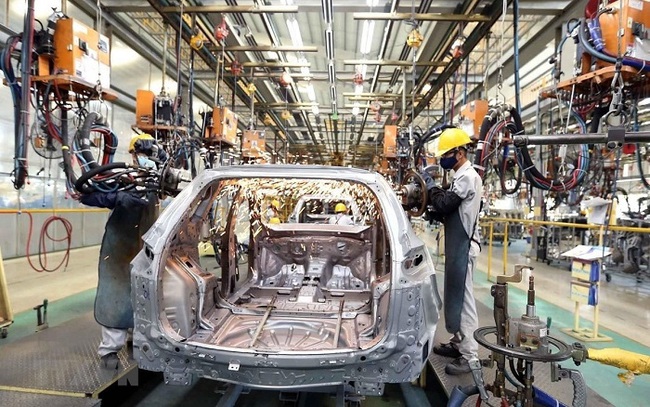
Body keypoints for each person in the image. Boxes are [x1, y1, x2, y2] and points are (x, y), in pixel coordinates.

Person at [80, 134, 164, 369]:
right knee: (116, 295)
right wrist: (116, 196)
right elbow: (87, 195)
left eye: (150, 155)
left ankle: (138, 342)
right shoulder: (119, 176)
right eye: (142, 154)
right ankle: (109, 350)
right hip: (119, 248)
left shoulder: (157, 179)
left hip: (146, 246)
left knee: (144, 295)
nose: (145, 160)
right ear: (132, 155)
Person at [425, 128, 482, 375]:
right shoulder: (460, 176)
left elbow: (446, 203)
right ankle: (458, 343)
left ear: (459, 153)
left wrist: (431, 188)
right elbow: (448, 210)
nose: (443, 159)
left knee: (464, 301)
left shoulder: (468, 176)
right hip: (456, 246)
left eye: (446, 154)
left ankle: (470, 356)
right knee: (454, 296)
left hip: (465, 247)